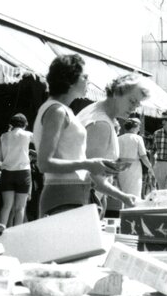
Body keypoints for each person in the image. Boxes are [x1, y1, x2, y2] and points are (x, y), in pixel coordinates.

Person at [33, 53, 119, 217]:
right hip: (63, 196)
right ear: (70, 79)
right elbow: (44, 163)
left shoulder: (62, 110)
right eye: (85, 76)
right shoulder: (57, 111)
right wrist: (88, 164)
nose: (88, 81)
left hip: (70, 194)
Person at [76, 73, 151, 213]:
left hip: (81, 201)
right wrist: (123, 197)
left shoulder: (95, 110)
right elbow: (90, 178)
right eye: (132, 101)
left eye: (137, 104)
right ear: (117, 93)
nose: (134, 108)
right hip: (80, 206)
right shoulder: (101, 124)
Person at [0, 112, 33, 227]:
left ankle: (0, 232)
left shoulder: (3, 136)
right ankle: (17, 233)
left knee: (6, 206)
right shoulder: (28, 135)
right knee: (20, 208)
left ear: (12, 124)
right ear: (25, 124)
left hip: (7, 173)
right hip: (23, 173)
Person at [117, 117, 154, 198]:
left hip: (121, 166)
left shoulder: (119, 138)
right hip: (134, 167)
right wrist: (150, 167)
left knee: (123, 191)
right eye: (138, 127)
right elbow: (143, 156)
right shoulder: (138, 138)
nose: (139, 129)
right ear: (134, 127)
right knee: (134, 192)